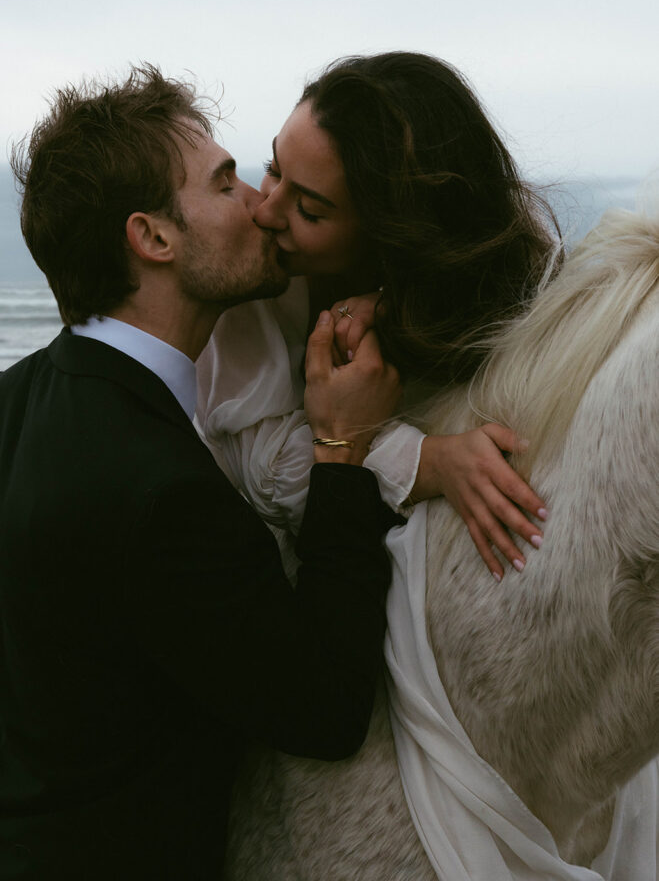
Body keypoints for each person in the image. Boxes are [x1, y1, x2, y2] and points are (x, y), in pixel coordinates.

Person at [0, 66, 404, 879]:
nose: (258, 204)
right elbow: (324, 709)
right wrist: (342, 451)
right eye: (224, 182)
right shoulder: (164, 490)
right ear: (155, 238)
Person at [195, 51, 562, 582]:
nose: (264, 210)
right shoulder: (251, 284)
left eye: (310, 210)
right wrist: (430, 462)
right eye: (274, 168)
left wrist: (399, 306)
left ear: (393, 233)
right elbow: (267, 470)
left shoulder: (498, 275)